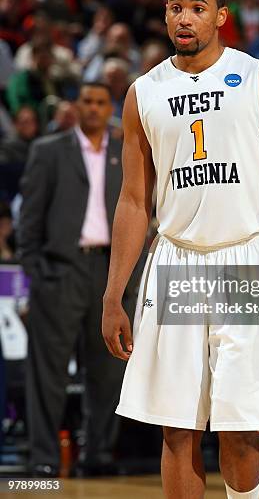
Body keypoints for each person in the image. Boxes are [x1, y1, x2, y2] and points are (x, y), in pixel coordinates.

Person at [102, 0, 259, 499]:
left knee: (241, 420)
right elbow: (134, 200)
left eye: (198, 7)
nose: (184, 17)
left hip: (246, 258)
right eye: (175, 6)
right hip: (175, 260)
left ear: (221, 16)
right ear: (164, 14)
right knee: (176, 424)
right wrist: (114, 293)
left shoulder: (258, 76)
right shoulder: (144, 92)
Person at [18, 82, 138, 477]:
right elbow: (29, 221)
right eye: (86, 101)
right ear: (76, 106)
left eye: (101, 103)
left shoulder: (128, 153)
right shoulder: (48, 151)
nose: (93, 108)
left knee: (107, 370)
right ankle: (43, 458)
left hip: (109, 272)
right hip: (61, 269)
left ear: (110, 109)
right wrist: (38, 270)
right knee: (47, 373)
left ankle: (99, 455)